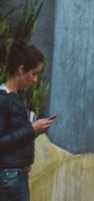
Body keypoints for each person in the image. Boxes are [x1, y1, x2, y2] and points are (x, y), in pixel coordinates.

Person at [0, 41, 54, 201]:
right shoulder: (3, 100)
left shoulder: (19, 96)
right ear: (21, 70)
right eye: (34, 73)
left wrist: (34, 130)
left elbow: (16, 135)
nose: (36, 79)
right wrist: (32, 129)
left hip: (18, 174)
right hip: (9, 177)